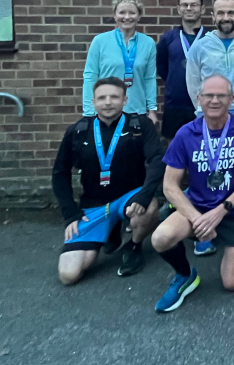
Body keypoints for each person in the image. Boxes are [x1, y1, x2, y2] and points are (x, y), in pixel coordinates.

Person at [151, 76, 234, 312]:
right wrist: (197, 218)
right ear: (198, 99)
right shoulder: (185, 134)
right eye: (208, 96)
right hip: (198, 208)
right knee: (160, 238)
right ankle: (185, 275)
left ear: (232, 99)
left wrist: (221, 211)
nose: (215, 100)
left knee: (232, 283)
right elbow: (169, 186)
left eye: (221, 95)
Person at [53, 77, 164, 284]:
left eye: (114, 97)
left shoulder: (140, 126)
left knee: (149, 207)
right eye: (101, 98)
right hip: (93, 205)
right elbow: (60, 173)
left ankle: (134, 246)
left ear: (124, 100)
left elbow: (157, 160)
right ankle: (111, 231)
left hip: (129, 197)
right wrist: (70, 214)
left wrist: (145, 195)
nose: (108, 102)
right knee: (68, 275)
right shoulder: (77, 131)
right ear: (93, 102)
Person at [83, 0, 158, 124]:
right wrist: (89, 113)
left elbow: (149, 79)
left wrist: (151, 110)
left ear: (139, 16)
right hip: (105, 111)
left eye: (132, 13)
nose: (127, 17)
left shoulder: (148, 43)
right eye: (122, 12)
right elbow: (90, 76)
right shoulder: (100, 41)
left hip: (136, 111)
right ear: (115, 15)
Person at [185, 0, 234, 120]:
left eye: (230, 13)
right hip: (209, 112)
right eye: (220, 13)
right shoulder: (199, 47)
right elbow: (193, 84)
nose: (226, 18)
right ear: (213, 16)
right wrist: (204, 106)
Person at [157, 0, 208, 142]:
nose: (189, 8)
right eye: (185, 5)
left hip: (205, 103)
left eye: (194, 5)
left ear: (202, 9)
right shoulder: (168, 38)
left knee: (204, 145)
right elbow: (162, 67)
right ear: (179, 9)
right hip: (175, 103)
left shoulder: (211, 38)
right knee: (175, 147)